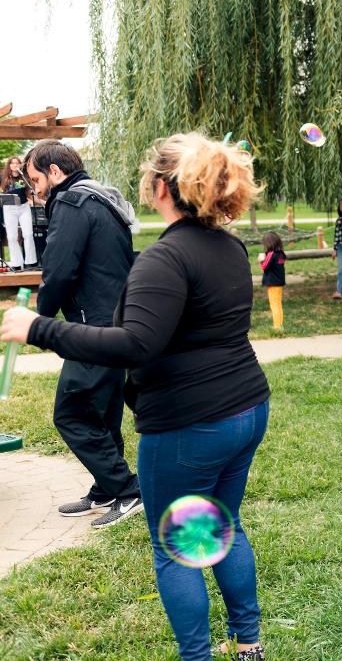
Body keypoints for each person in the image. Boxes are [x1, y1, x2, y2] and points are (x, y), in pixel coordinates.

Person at [2, 132, 270, 661]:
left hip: (191, 423)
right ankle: (249, 644)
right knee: (222, 524)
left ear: (164, 187)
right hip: (246, 409)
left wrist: (37, 328)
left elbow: (133, 344)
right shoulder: (228, 246)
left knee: (175, 550)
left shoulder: (164, 259)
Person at [21, 139, 141, 528]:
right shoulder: (102, 199)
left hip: (93, 330)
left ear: (55, 172)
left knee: (70, 413)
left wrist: (36, 322)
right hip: (117, 324)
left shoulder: (71, 205)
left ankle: (128, 490)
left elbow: (58, 270)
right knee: (101, 412)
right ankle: (107, 488)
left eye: (35, 179)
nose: (34, 189)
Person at [1, 155, 39, 271]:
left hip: (23, 207)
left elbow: (29, 193)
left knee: (28, 234)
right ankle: (17, 263)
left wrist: (40, 201)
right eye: (12, 163)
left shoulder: (24, 177)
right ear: (9, 165)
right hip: (9, 209)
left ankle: (31, 262)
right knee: (12, 237)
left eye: (16, 163)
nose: (14, 165)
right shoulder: (3, 177)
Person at [259, 231, 286, 330]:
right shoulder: (281, 254)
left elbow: (264, 266)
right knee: (278, 304)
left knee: (274, 305)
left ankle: (277, 327)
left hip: (273, 283)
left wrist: (261, 259)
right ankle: (280, 325)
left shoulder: (271, 254)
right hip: (279, 283)